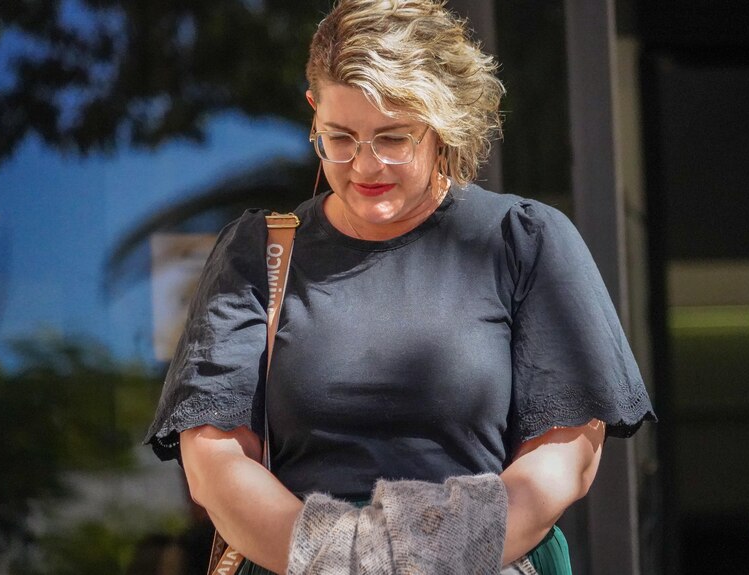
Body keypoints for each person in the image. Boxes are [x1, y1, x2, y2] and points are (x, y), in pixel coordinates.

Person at [145, 1, 656, 573]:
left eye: (393, 138)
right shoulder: (257, 253)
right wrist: (337, 558)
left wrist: (431, 555)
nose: (365, 165)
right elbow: (214, 458)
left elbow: (566, 454)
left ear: (442, 122)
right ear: (313, 111)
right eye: (340, 137)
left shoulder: (523, 241)